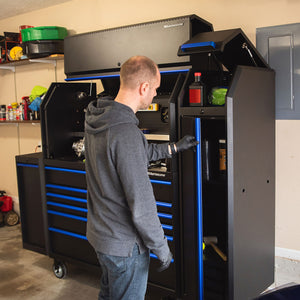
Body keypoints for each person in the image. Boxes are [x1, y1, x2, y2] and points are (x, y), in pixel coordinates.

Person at [84, 55, 198, 300]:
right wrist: (161, 247)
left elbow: (139, 152)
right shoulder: (125, 132)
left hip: (101, 238)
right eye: (155, 89)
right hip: (126, 247)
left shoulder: (99, 121)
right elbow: (142, 207)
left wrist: (174, 148)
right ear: (144, 87)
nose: (155, 94)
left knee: (108, 296)